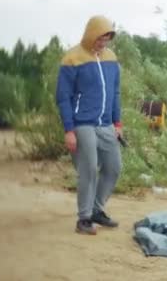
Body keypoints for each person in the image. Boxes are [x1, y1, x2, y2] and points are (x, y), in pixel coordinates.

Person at [55, 15, 123, 235]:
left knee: (113, 167)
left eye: (107, 39)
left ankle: (96, 210)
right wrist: (69, 130)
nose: (103, 43)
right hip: (82, 123)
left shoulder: (111, 58)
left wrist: (117, 122)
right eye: (100, 38)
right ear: (91, 34)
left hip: (105, 124)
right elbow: (63, 97)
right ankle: (83, 220)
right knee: (89, 169)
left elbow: (115, 92)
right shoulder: (72, 59)